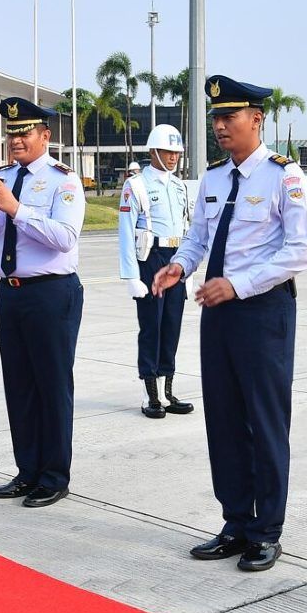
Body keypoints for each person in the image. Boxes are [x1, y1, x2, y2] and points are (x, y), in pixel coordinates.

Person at [153, 76, 307, 571]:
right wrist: (180, 265)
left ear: (257, 120)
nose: (220, 126)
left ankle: (267, 530)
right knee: (223, 420)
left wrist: (239, 284)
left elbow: (301, 250)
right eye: (216, 119)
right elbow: (199, 238)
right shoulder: (214, 179)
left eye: (230, 117)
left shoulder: (285, 178)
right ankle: (235, 523)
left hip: (263, 313)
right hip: (218, 310)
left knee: (264, 422)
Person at [0, 97, 86, 508]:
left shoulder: (63, 181)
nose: (15, 140)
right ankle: (27, 471)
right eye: (11, 132)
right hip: (11, 294)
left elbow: (65, 237)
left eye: (24, 132)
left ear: (45, 136)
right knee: (19, 386)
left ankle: (53, 476)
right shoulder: (1, 178)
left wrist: (15, 209)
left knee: (51, 386)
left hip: (51, 293)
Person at [118, 125, 196, 418]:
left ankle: (167, 390)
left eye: (176, 152)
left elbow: (188, 229)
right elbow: (126, 232)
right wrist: (131, 277)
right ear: (153, 152)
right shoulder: (136, 185)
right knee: (152, 326)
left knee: (172, 326)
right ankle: (150, 394)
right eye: (167, 152)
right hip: (150, 257)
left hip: (177, 258)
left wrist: (188, 272)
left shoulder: (179, 186)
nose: (174, 157)